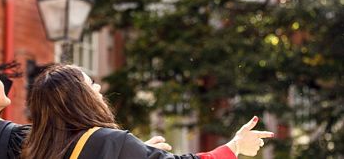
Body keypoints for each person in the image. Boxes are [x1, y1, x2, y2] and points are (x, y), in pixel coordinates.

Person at [22, 64, 274, 159]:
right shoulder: (110, 141)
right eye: (90, 85)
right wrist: (235, 146)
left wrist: (135, 151)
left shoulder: (36, 149)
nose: (97, 87)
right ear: (78, 100)